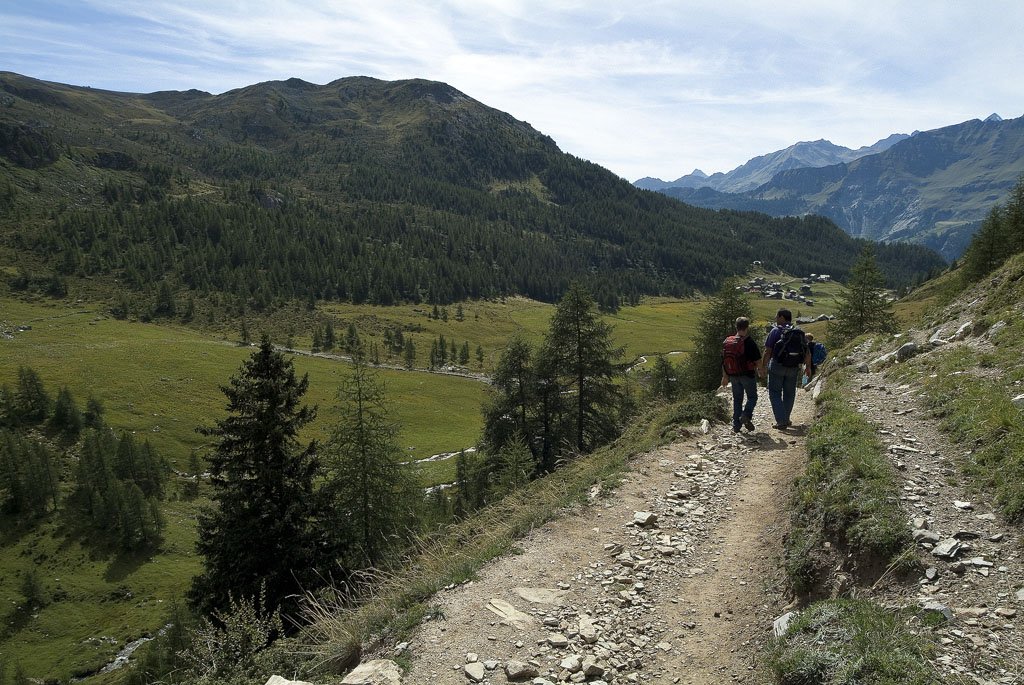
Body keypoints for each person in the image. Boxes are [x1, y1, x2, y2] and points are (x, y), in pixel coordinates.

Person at [759, 308, 811, 429]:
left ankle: (781, 421)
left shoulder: (775, 331)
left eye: (777, 316)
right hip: (793, 367)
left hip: (777, 366)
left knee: (775, 393)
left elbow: (768, 351)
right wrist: (808, 367)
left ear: (782, 317)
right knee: (789, 393)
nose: (776, 319)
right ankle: (786, 419)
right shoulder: (799, 331)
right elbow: (807, 352)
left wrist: (763, 366)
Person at [720, 316, 762, 432]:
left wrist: (725, 376)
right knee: (752, 397)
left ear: (736, 327)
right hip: (747, 374)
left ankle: (736, 425)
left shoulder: (728, 342)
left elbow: (723, 361)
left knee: (737, 399)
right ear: (747, 327)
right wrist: (761, 371)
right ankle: (746, 415)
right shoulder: (749, 342)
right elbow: (758, 360)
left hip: (733, 375)